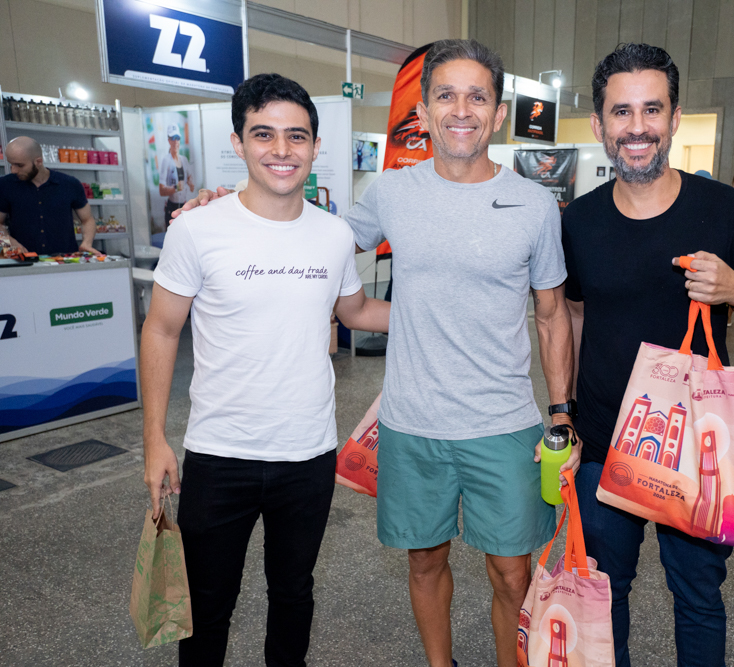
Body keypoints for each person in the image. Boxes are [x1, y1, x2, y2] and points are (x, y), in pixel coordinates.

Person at [171, 40, 579, 667]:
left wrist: (561, 412)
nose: (461, 110)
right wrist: (225, 208)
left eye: (477, 97)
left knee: (511, 573)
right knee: (425, 561)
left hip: (502, 423)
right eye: (445, 95)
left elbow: (552, 316)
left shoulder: (533, 205)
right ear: (424, 109)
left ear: (498, 113)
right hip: (411, 422)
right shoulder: (390, 192)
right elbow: (308, 231)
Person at [140, 73, 389, 667]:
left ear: (315, 146)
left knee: (294, 593)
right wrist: (154, 439)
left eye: (296, 136)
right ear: (239, 142)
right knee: (208, 605)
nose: (282, 149)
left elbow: (355, 311)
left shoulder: (333, 235)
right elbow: (162, 329)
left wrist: (441, 313)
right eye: (264, 134)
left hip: (307, 454)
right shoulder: (198, 228)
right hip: (219, 453)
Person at [562, 43, 734, 667]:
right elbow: (572, 319)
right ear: (600, 125)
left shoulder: (722, 210)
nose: (637, 127)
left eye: (651, 109)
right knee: (604, 594)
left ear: (675, 117)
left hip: (698, 449)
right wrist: (566, 416)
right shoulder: (579, 221)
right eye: (622, 112)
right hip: (605, 442)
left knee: (698, 597)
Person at [0, 136, 99, 255]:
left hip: (65, 260)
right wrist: (8, 242)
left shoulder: (69, 184)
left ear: (38, 162)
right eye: (11, 164)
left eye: (20, 165)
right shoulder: (5, 185)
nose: (14, 170)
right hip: (24, 260)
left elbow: (87, 219)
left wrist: (87, 243)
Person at [158, 124, 196, 227]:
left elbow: (191, 184)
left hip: (184, 206)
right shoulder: (166, 160)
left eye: (177, 138)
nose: (175, 141)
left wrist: (190, 182)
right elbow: (161, 191)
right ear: (168, 140)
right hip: (172, 207)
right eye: (173, 138)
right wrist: (175, 188)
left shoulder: (184, 160)